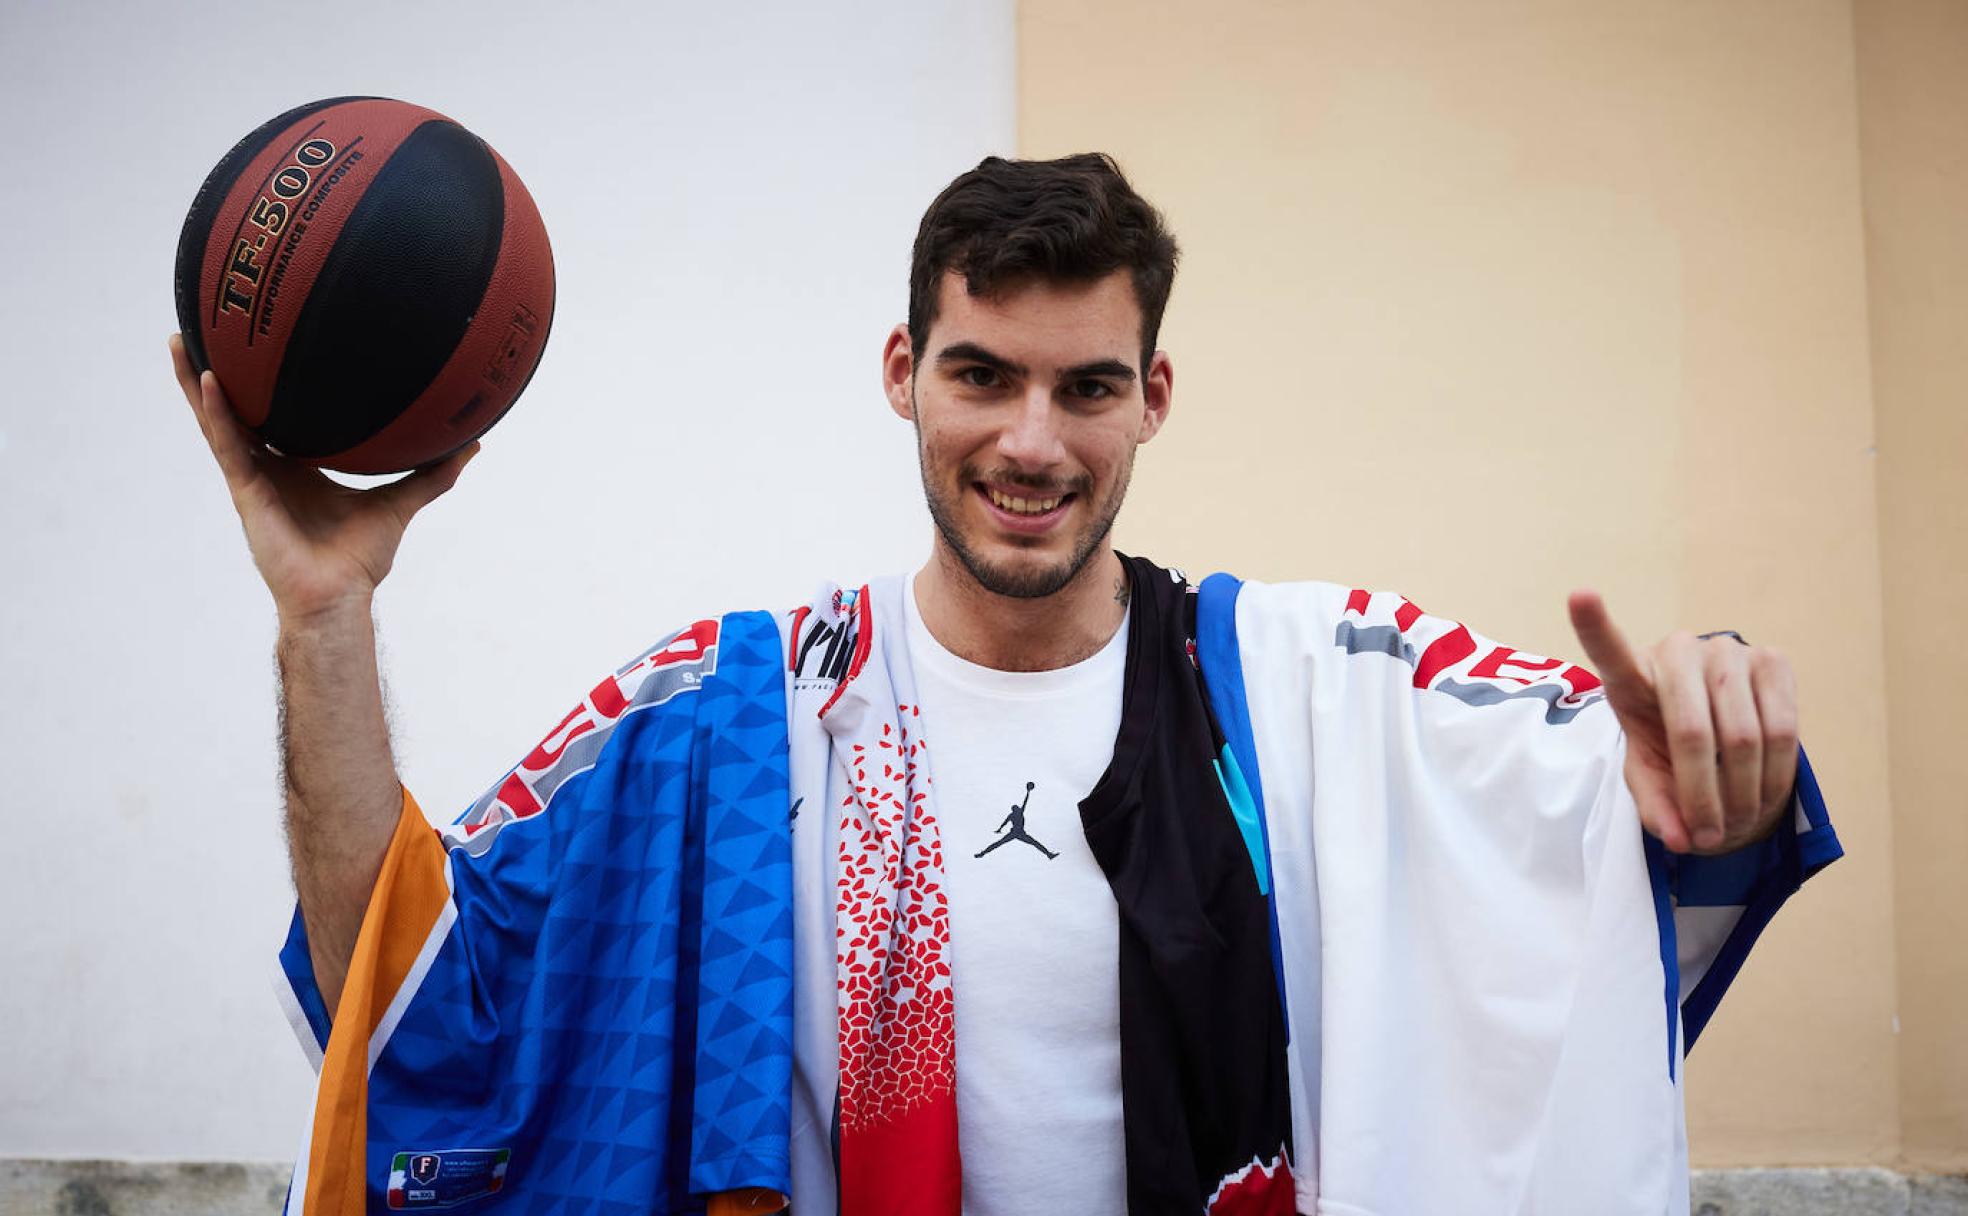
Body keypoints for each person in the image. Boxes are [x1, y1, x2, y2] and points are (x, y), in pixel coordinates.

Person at [171, 153, 1839, 1216]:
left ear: (1153, 396)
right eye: (980, 376)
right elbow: (405, 987)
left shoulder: (1309, 686)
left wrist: (1709, 748)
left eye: (1084, 387)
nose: (1030, 443)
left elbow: (1619, 803)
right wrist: (322, 615)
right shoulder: (737, 721)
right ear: (904, 375)